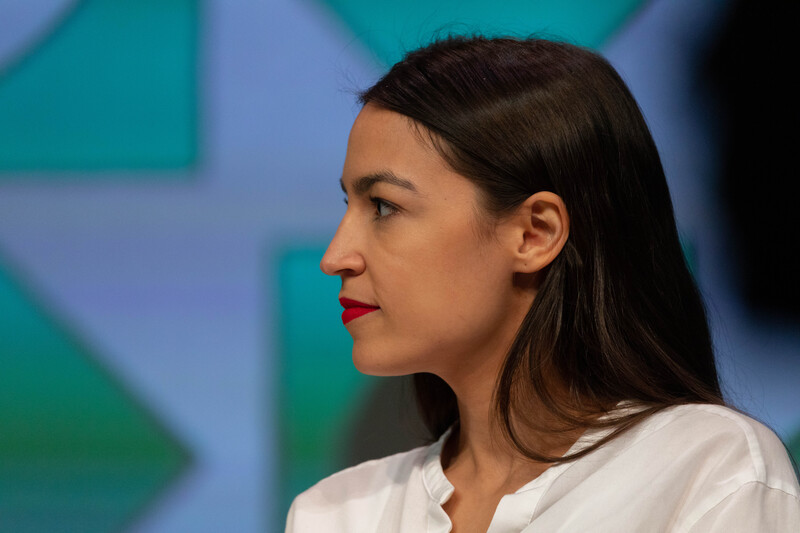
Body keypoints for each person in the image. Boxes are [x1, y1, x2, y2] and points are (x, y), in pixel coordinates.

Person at [285, 35, 800, 532]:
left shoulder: (710, 474)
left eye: (384, 206)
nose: (336, 257)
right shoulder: (334, 513)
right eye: (348, 205)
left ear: (536, 233)